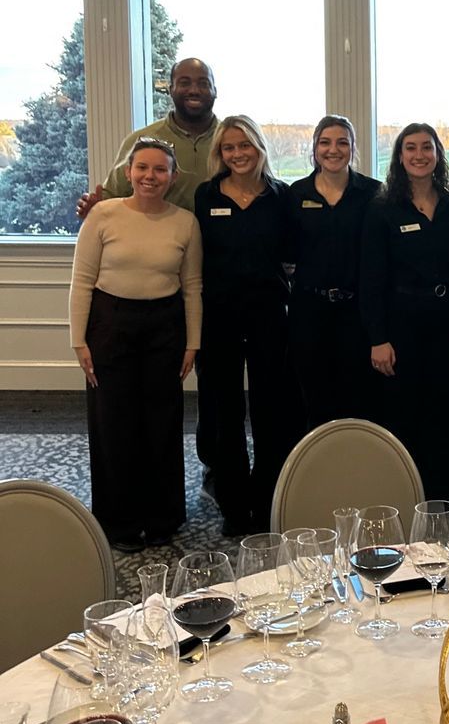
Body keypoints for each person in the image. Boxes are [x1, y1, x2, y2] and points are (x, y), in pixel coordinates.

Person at [68, 136, 202, 551]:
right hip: (110, 325)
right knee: (114, 423)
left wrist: (192, 343)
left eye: (160, 169)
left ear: (172, 176)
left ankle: (162, 518)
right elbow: (82, 281)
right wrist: (78, 341)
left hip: (165, 326)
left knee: (162, 424)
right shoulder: (103, 216)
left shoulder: (185, 222)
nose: (150, 176)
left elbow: (192, 287)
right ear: (128, 173)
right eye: (142, 168)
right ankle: (119, 521)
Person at [361, 123, 449, 495]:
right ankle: (407, 493)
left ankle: (445, 496)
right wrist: (378, 338)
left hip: (447, 322)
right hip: (402, 324)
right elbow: (372, 278)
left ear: (438, 154)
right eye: (410, 148)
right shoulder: (383, 209)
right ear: (399, 157)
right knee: (405, 414)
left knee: (447, 411)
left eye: (427, 147)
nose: (419, 155)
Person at [194, 115, 294, 537]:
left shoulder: (280, 196)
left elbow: (291, 256)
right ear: (220, 153)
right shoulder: (206, 196)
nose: (237, 154)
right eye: (229, 148)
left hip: (270, 313)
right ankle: (234, 507)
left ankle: (268, 500)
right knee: (224, 412)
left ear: (258, 148)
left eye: (244, 146)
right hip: (219, 316)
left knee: (272, 410)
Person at [287, 114, 382, 431]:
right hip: (309, 312)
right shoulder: (295, 195)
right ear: (314, 148)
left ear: (353, 149)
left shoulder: (373, 194)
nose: (333, 150)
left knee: (358, 398)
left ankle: (356, 473)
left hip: (356, 313)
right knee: (314, 398)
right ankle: (317, 472)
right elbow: (284, 251)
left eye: (342, 142)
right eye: (325, 142)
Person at [78, 57, 219, 218]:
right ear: (171, 89)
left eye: (203, 83)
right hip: (159, 240)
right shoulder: (142, 140)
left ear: (215, 90)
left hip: (223, 241)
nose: (194, 90)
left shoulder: (232, 142)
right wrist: (95, 208)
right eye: (184, 83)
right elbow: (111, 199)